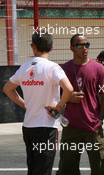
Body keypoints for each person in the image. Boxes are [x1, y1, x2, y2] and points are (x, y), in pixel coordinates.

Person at [3, 31, 73, 175]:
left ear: (32, 46)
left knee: (33, 168)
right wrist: (59, 106)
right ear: (51, 47)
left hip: (28, 126)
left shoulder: (24, 67)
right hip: (47, 127)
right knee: (43, 169)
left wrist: (25, 105)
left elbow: (7, 89)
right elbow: (69, 89)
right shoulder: (53, 67)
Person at [57, 34, 104, 175]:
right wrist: (69, 98)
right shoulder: (64, 69)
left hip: (93, 126)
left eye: (87, 44)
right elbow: (56, 96)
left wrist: (100, 119)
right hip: (71, 126)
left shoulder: (98, 68)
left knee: (101, 169)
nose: (84, 48)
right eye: (79, 45)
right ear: (71, 48)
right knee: (67, 169)